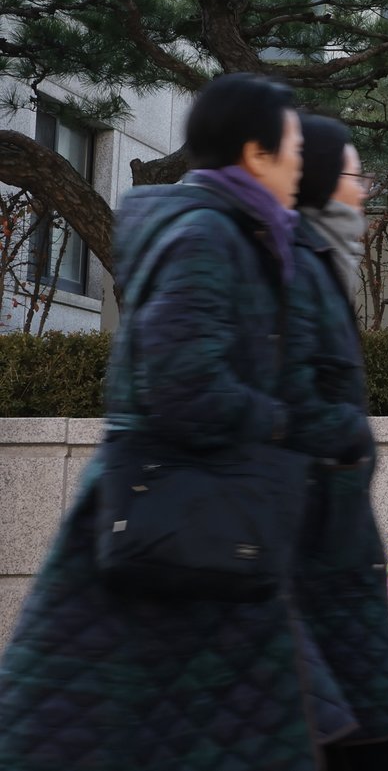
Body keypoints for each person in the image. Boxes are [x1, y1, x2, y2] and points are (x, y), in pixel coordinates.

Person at [0, 74, 327, 771]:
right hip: (186, 526)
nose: (303, 160)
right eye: (294, 145)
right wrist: (278, 419)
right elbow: (181, 384)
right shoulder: (208, 235)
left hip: (203, 525)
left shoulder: (230, 230)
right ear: (254, 152)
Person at [287, 114, 388, 771]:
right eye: (354, 176)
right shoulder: (296, 266)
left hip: (331, 553)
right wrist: (349, 441)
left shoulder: (319, 262)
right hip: (311, 557)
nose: (363, 192)